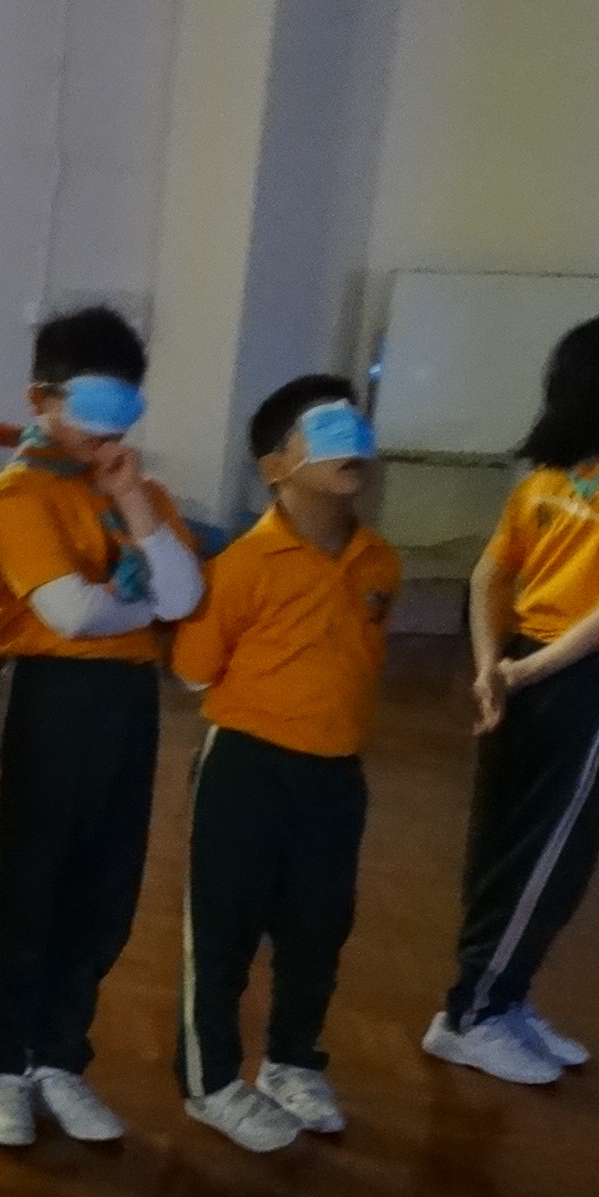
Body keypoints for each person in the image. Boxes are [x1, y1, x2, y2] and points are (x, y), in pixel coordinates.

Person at [423, 314, 599, 1085]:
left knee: (506, 839)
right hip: (583, 680)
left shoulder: (545, 478)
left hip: (520, 663)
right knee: (550, 852)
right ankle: (473, 1014)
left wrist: (493, 667)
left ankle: (499, 998)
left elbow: (489, 576)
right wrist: (520, 673)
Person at [0, 307, 203, 1147]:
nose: (112, 429)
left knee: (104, 885)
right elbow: (70, 613)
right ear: (42, 399)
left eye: (126, 407)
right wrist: (142, 604)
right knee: (24, 884)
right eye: (95, 407)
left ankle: (58, 1056)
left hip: (126, 701)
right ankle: (1, 1064)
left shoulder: (143, 495)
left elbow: (183, 597)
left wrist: (131, 499)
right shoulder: (16, 495)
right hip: (39, 697)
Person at [170, 377, 401, 1152]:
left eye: (355, 425)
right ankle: (210, 1080)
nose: (351, 440)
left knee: (318, 927)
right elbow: (194, 671)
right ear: (275, 467)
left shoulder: (378, 561)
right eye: (325, 429)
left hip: (336, 774)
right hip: (247, 767)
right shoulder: (243, 565)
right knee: (224, 929)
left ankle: (293, 1061)